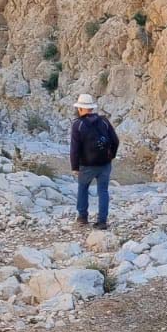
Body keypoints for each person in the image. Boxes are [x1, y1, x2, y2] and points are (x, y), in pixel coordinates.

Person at [70, 91, 120, 230]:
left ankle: (82, 217)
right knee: (103, 191)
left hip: (86, 165)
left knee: (83, 188)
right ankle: (102, 221)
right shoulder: (104, 121)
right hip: (105, 163)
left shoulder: (77, 125)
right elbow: (115, 140)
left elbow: (74, 149)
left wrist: (75, 167)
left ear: (80, 108)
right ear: (92, 108)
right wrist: (111, 156)